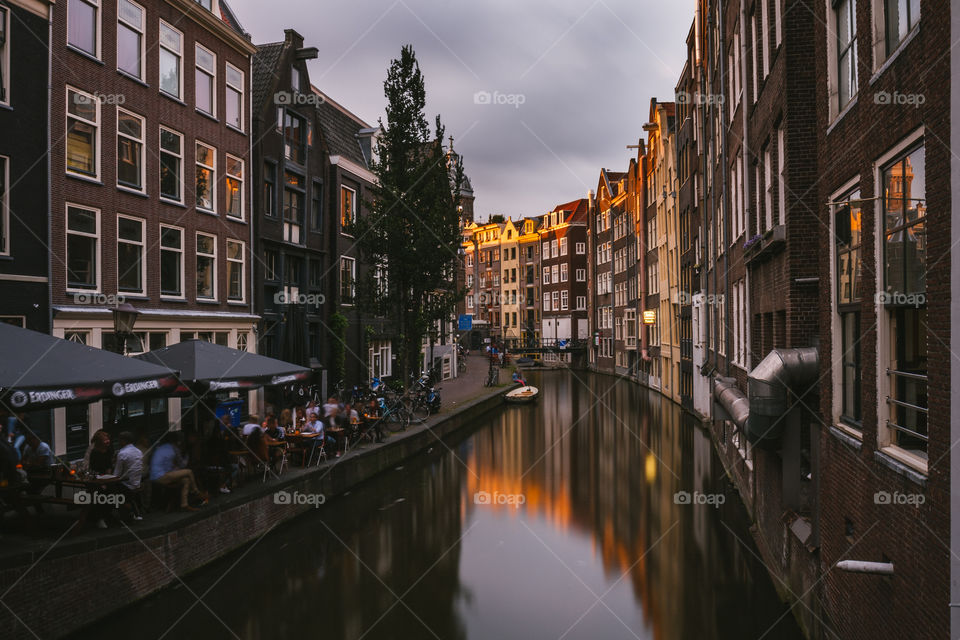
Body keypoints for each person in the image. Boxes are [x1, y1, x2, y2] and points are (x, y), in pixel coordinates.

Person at [150, 433, 206, 512]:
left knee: (186, 480)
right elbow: (177, 466)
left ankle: (184, 505)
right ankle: (196, 492)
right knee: (189, 472)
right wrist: (186, 456)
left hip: (156, 476)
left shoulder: (161, 447)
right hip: (161, 476)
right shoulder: (172, 450)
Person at [113, 431, 143, 521]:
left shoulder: (122, 453)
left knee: (107, 491)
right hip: (137, 483)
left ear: (123, 441)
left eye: (119, 440)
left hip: (126, 484)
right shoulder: (138, 452)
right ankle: (133, 511)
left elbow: (116, 475)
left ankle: (126, 514)